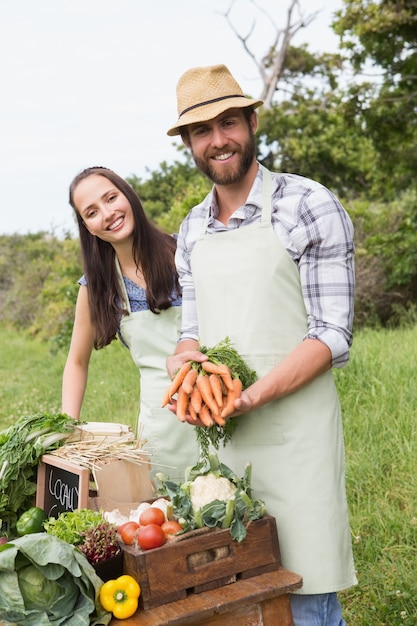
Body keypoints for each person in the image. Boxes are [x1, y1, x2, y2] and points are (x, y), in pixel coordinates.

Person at [165, 64, 357, 625]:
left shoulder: (307, 204)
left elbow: (330, 334)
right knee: (243, 595)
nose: (218, 140)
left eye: (229, 123)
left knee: (307, 593)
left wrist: (247, 398)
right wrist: (186, 368)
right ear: (189, 144)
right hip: (224, 444)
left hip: (298, 438)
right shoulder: (193, 228)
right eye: (202, 131)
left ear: (251, 122)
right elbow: (191, 333)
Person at [62, 166, 200, 483]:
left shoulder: (186, 251)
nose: (108, 213)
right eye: (92, 212)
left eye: (112, 198)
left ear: (129, 196)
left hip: (218, 406)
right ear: (88, 227)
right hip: (163, 427)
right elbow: (77, 361)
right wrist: (67, 429)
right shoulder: (97, 285)